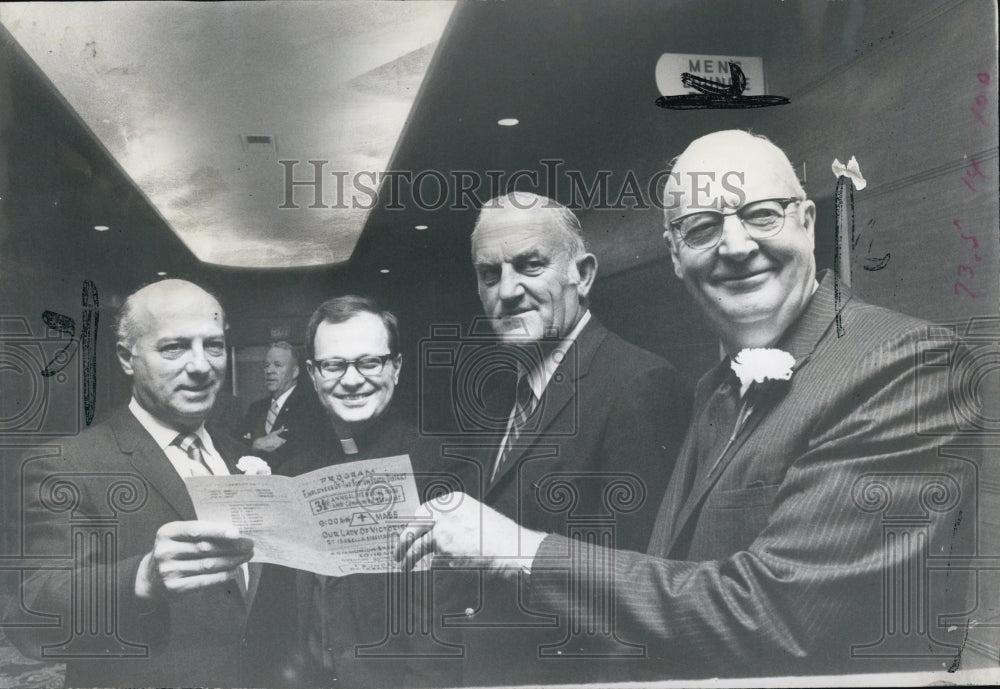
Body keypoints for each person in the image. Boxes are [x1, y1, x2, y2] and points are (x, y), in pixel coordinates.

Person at [397, 132, 975, 679]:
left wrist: (516, 549)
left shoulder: (909, 363)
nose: (736, 246)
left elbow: (782, 615)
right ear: (675, 255)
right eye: (702, 228)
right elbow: (667, 580)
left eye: (762, 215)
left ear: (807, 222)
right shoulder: (715, 387)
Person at [437, 191, 690, 685]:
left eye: (529, 265)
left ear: (584, 275)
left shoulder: (639, 385)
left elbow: (641, 592)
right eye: (489, 274)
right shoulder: (497, 396)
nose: (507, 291)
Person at [3, 279, 261, 687]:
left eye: (213, 345)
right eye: (174, 347)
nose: (201, 366)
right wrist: (142, 578)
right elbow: (32, 614)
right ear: (127, 357)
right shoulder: (68, 465)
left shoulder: (242, 458)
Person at [274, 295, 458, 688]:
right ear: (313, 374)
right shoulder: (292, 473)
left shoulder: (440, 467)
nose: (352, 379)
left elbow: (441, 636)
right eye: (334, 365)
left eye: (370, 362)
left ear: (396, 367)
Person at [241, 340, 324, 473]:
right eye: (266, 365)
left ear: (295, 372)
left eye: (278, 365)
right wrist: (256, 444)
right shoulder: (255, 409)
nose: (269, 371)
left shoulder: (312, 407)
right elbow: (234, 448)